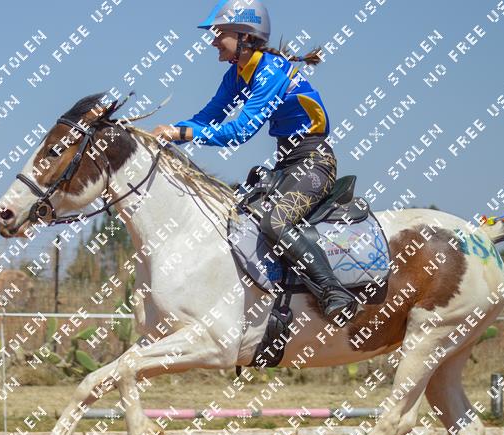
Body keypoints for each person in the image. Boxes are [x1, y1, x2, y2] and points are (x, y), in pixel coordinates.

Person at [151, 0, 357, 324]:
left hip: (315, 162)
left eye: (219, 33)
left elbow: (240, 131)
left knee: (276, 223)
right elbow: (207, 118)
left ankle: (334, 291)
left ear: (245, 36)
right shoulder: (236, 74)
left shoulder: (271, 71)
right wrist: (166, 134)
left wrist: (180, 133)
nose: (213, 41)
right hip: (286, 165)